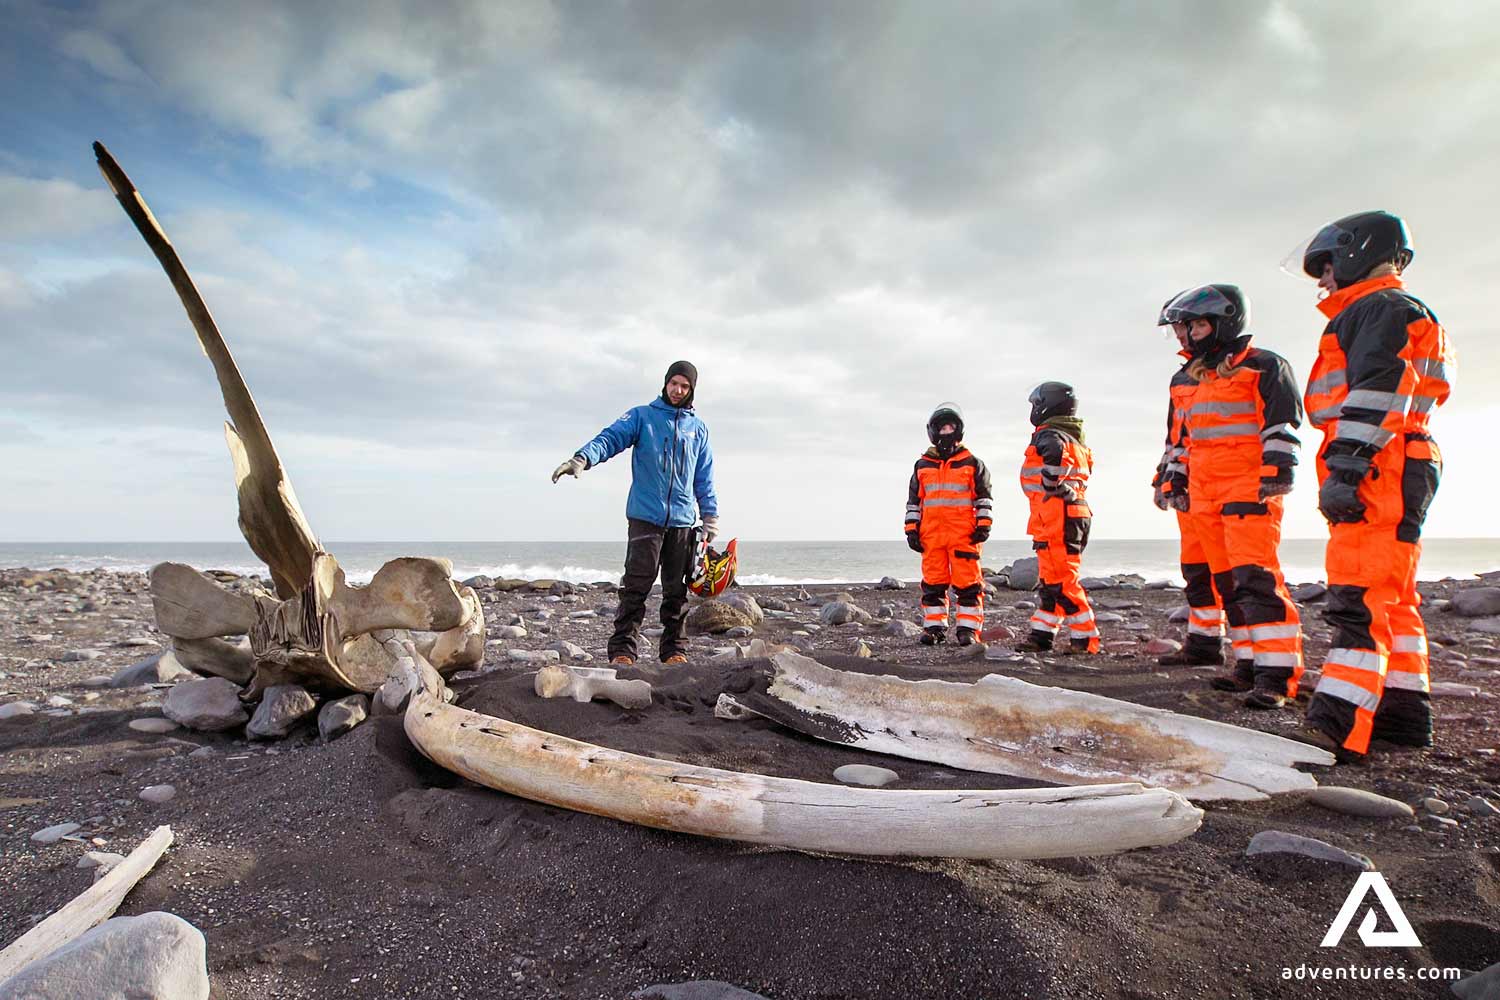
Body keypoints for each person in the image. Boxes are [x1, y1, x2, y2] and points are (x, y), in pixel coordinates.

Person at [1289, 211, 1454, 760]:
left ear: (1359, 253)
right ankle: (1403, 716)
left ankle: (1336, 725)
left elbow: (1381, 389)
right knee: (1394, 596)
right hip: (1402, 458)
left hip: (1379, 460)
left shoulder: (1376, 309)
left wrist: (1349, 463)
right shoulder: (1390, 310)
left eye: (1328, 265)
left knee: (1359, 595)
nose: (1324, 279)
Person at [1155, 285, 1304, 708]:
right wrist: (1174, 481)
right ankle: (1247, 665)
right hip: (1203, 493)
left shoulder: (1264, 366)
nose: (1186, 336)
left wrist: (1277, 473)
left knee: (1256, 581)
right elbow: (1181, 439)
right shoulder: (1191, 377)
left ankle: (1276, 675)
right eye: (1184, 328)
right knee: (1228, 584)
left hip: (1247, 487)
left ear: (1223, 322)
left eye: (1195, 326)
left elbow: (1282, 425)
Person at [552, 361, 718, 665]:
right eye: (674, 383)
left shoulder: (699, 429)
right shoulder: (643, 416)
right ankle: (622, 651)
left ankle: (674, 651)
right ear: (665, 383)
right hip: (645, 517)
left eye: (685, 386)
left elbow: (703, 476)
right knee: (636, 586)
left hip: (683, 521)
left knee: (676, 592)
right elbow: (611, 438)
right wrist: (582, 459)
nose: (678, 390)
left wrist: (710, 517)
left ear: (692, 390)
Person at [1151, 302, 1231, 667]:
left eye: (1186, 326)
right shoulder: (1183, 378)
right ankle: (1204, 642)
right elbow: (1176, 435)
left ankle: (1263, 665)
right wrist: (1164, 477)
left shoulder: (1248, 368)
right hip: (1191, 486)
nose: (1181, 335)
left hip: (1232, 486)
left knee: (1237, 574)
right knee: (1197, 570)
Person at [1016, 382, 1100, 654]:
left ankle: (1085, 638)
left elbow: (1054, 456)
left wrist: (1052, 482)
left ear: (1047, 405)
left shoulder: (1050, 435)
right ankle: (1042, 636)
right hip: (1063, 515)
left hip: (1058, 516)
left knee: (1061, 581)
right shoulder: (1076, 440)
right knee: (1051, 580)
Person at [904, 403, 993, 646]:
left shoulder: (972, 463)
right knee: (933, 584)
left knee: (968, 585)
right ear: (932, 431)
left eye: (950, 427)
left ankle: (968, 630)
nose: (946, 431)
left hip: (964, 535)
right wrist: (911, 530)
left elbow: (984, 497)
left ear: (959, 430)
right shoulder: (922, 466)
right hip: (931, 537)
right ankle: (934, 628)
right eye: (941, 427)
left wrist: (983, 525)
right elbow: (914, 502)